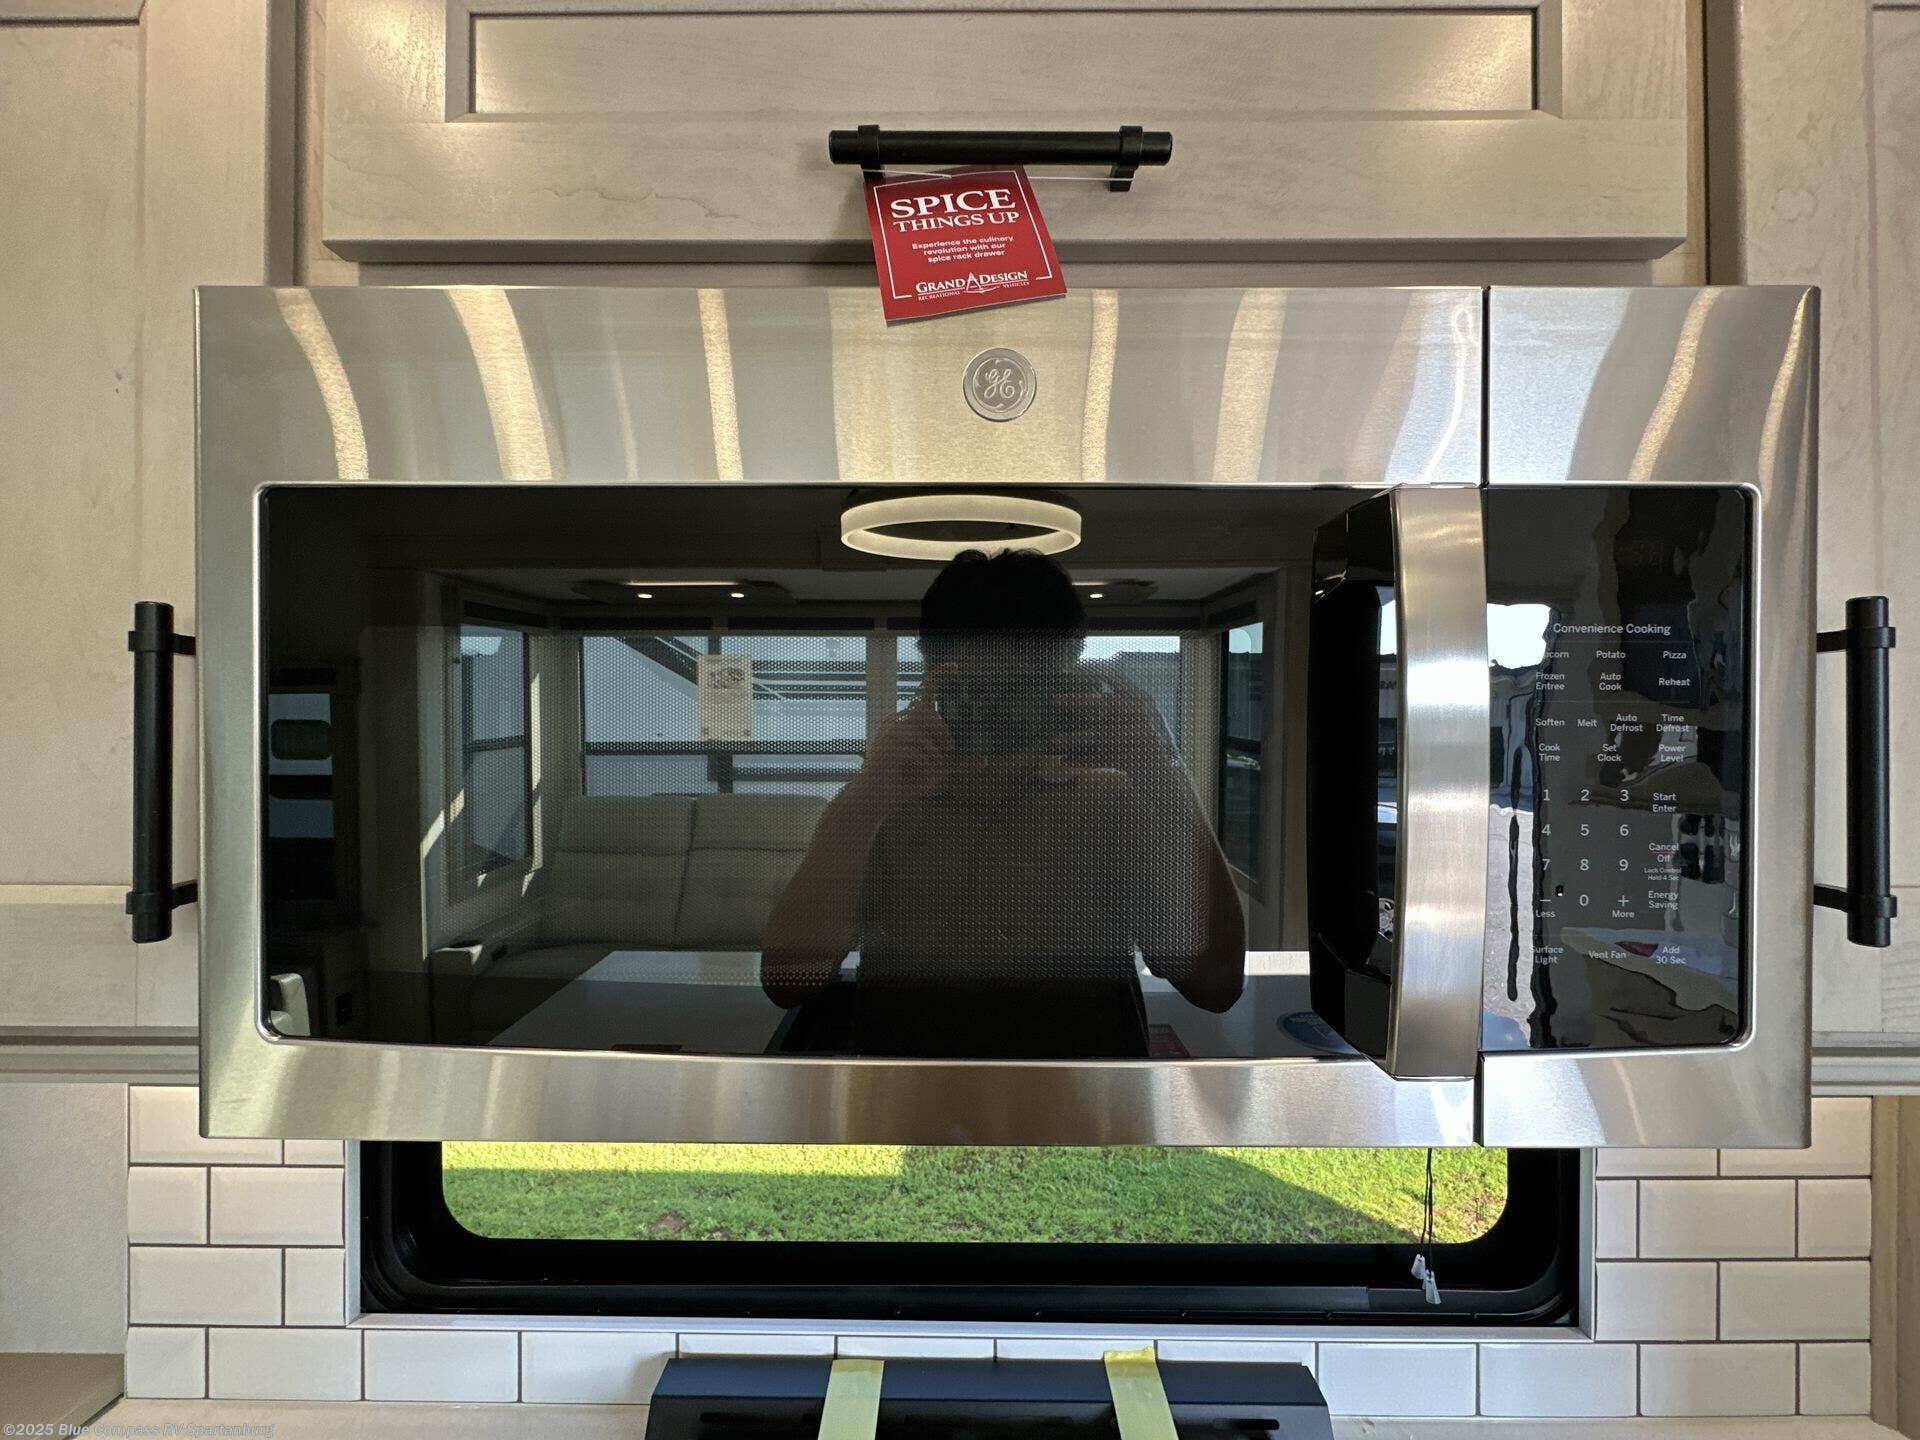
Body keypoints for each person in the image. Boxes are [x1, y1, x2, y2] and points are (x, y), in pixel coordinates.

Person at [761, 549, 1246, 1057]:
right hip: (940, 1092)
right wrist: (870, 793)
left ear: (1062, 686)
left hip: (1056, 1095)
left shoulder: (1107, 802)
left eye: (1018, 691)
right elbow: (788, 978)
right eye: (972, 692)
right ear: (935, 677)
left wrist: (1162, 769)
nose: (992, 715)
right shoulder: (885, 805)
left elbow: (1214, 981)